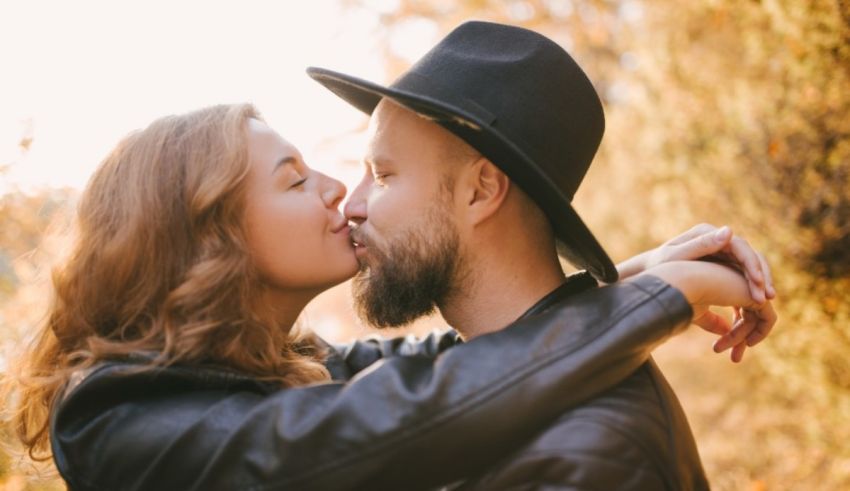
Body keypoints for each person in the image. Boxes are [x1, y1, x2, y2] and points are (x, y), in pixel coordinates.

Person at [4, 102, 772, 490]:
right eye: (297, 179)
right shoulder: (118, 417)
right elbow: (403, 412)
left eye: (383, 173)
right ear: (211, 237)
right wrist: (665, 295)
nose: (342, 191)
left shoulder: (286, 366)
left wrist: (636, 276)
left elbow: (452, 360)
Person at [307, 20, 777, 489]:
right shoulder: (459, 371)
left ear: (480, 191)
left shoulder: (594, 455)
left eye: (383, 174)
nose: (352, 205)